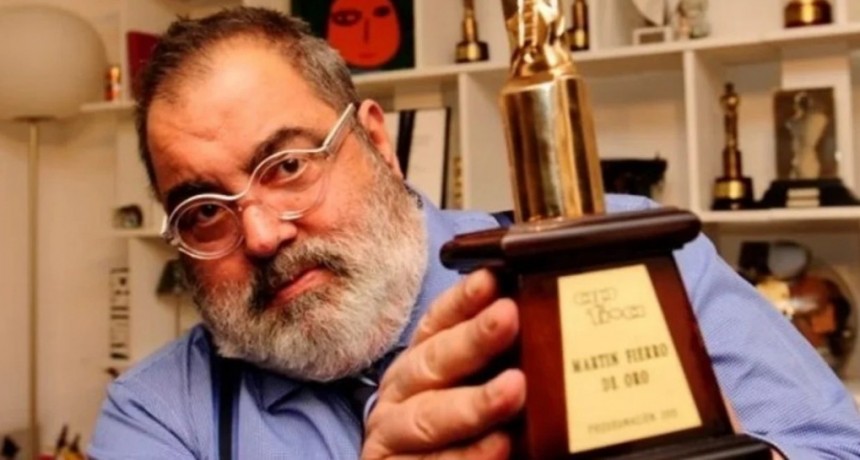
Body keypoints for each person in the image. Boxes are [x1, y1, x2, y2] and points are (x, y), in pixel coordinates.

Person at [89, 6, 860, 459]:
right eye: (205, 211)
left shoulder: (631, 260)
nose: (260, 234)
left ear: (378, 143)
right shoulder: (160, 414)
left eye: (288, 165)